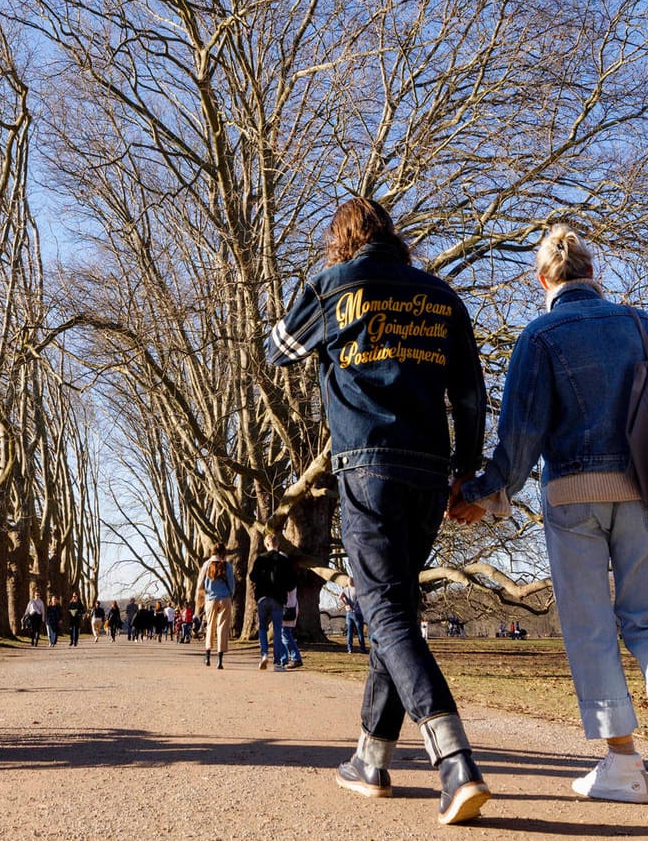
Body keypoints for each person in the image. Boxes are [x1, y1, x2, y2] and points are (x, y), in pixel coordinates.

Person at [457, 224, 648, 812]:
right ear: (594, 275)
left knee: (590, 628)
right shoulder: (644, 327)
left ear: (543, 280)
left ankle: (624, 763)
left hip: (574, 496)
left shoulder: (540, 335)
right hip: (646, 492)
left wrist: (485, 492)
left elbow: (522, 436)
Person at [264, 196, 490, 825]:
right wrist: (465, 473)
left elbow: (276, 350)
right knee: (395, 606)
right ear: (394, 237)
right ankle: (370, 757)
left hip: (367, 463)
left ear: (343, 239)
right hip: (427, 469)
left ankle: (455, 761)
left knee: (385, 610)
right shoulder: (442, 297)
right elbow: (469, 394)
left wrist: (313, 292)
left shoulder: (334, 285)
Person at [250, 533, 299, 671]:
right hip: (278, 598)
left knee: (262, 628)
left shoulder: (260, 559)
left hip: (262, 597)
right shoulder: (284, 560)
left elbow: (253, 577)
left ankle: (264, 654)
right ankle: (278, 662)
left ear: (266, 544)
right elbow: (292, 582)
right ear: (278, 544)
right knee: (277, 630)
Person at [195, 546, 237, 669]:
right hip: (225, 598)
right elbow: (232, 583)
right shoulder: (227, 566)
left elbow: (200, 584)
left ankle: (207, 657)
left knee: (210, 626)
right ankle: (220, 660)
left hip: (211, 599)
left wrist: (201, 599)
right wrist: (230, 595)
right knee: (222, 628)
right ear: (223, 553)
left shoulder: (206, 565)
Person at [341, 580, 367, 654]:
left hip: (349, 613)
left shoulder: (345, 590)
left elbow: (340, 597)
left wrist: (346, 604)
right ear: (353, 582)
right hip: (358, 613)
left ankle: (350, 649)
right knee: (360, 632)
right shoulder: (358, 589)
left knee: (349, 632)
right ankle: (362, 649)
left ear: (348, 582)